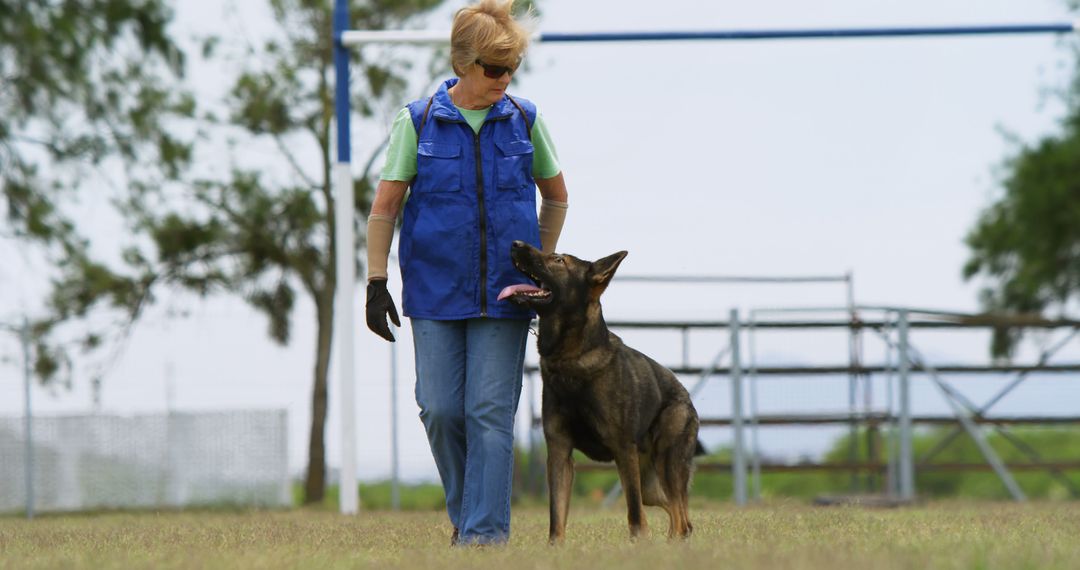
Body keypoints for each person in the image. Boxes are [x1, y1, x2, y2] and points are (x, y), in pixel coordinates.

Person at [364, 0, 568, 547]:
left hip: (508, 296)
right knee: (441, 408)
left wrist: (543, 269)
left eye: (512, 68)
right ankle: (469, 518)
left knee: (489, 412)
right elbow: (384, 208)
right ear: (464, 63)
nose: (505, 79)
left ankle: (484, 539)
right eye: (495, 68)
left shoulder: (525, 119)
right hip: (434, 293)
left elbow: (556, 199)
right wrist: (376, 280)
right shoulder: (419, 121)